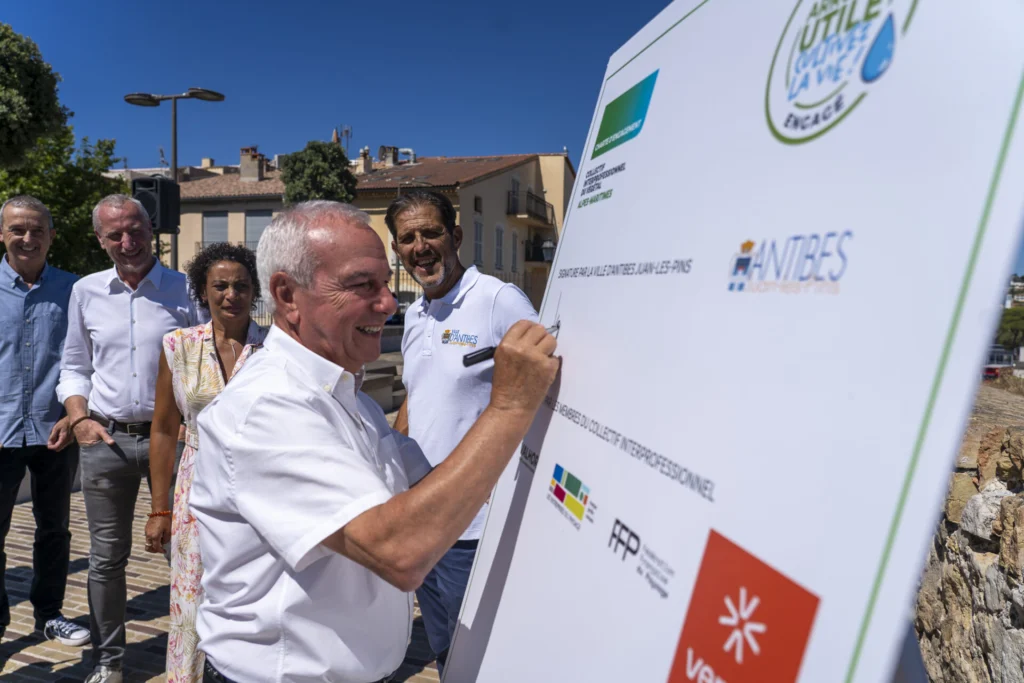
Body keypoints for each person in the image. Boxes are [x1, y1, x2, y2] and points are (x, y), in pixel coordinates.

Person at [190, 201, 558, 683]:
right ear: (287, 295)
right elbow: (400, 550)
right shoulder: (267, 406)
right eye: (363, 285)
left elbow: (425, 481)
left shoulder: (348, 396)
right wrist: (509, 406)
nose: (388, 304)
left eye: (385, 283)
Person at [388, 189, 538, 672]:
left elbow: (547, 384)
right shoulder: (415, 314)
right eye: (407, 238)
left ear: (455, 236)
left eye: (430, 233)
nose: (419, 247)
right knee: (444, 652)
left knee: (479, 656)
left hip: (474, 524)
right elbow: (418, 394)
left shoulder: (497, 300)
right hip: (422, 516)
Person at [56, 194, 195, 683]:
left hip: (173, 442)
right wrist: (79, 418)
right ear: (100, 240)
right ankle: (109, 661)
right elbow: (74, 365)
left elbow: (207, 358)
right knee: (105, 559)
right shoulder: (86, 291)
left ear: (150, 228)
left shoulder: (185, 288)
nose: (128, 241)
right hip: (107, 441)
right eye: (115, 234)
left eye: (135, 230)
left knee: (186, 554)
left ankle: (194, 657)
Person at [144, 243, 266, 683]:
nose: (231, 294)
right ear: (202, 291)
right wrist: (160, 510)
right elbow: (163, 429)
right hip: (197, 485)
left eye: (242, 286)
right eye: (220, 286)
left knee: (255, 594)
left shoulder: (276, 349)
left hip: (261, 486)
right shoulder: (178, 346)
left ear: (255, 292)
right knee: (192, 595)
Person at [0, 196, 90, 647]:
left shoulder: (76, 291)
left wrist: (76, 415)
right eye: (18, 229)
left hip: (56, 430)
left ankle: (49, 614)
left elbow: (87, 360)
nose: (28, 238)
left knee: (54, 529)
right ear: (2, 234)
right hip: (0, 431)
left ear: (51, 236)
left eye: (37, 230)